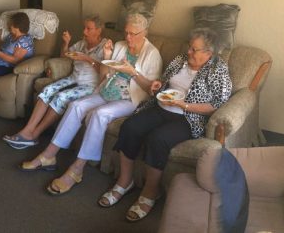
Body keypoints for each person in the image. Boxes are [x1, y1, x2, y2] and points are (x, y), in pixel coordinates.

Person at [18, 13, 163, 196]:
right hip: (106, 90)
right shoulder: (119, 46)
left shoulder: (152, 54)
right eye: (126, 33)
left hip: (129, 99)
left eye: (133, 34)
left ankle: (77, 168)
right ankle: (49, 155)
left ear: (145, 32)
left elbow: (151, 90)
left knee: (99, 114)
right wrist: (108, 56)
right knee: (76, 106)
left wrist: (132, 72)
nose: (128, 37)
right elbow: (103, 74)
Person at [99, 27, 232, 222]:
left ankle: (151, 192)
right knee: (130, 127)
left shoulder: (217, 69)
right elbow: (164, 82)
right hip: (161, 107)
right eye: (189, 47)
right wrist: (157, 85)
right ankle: (124, 181)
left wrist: (184, 104)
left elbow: (216, 104)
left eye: (194, 50)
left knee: (158, 139)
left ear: (208, 53)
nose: (189, 52)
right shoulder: (180, 60)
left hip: (188, 117)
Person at [3, 15, 109, 149]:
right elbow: (64, 56)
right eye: (84, 28)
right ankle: (26, 130)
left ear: (99, 30)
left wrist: (87, 59)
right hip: (73, 78)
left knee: (61, 97)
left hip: (90, 85)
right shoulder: (81, 43)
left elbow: (106, 71)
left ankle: (34, 134)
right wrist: (65, 43)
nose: (84, 32)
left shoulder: (105, 46)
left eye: (89, 29)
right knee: (47, 90)